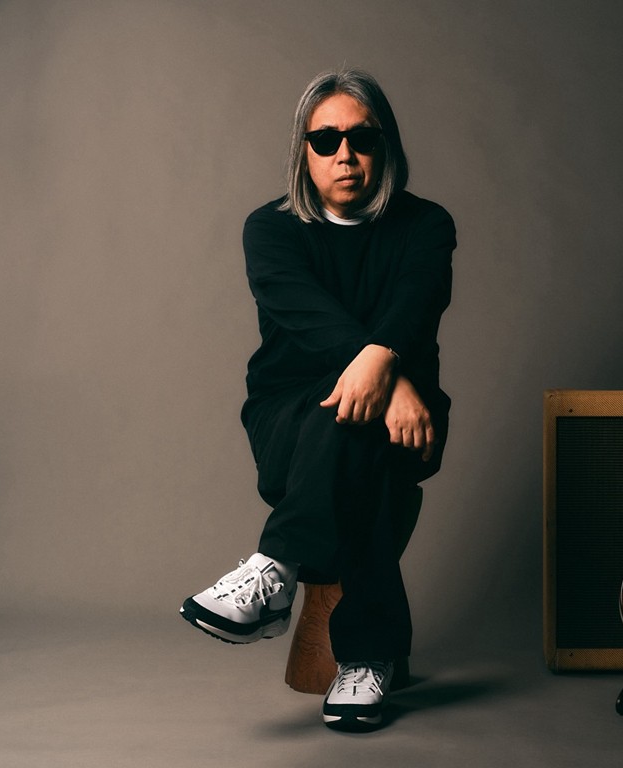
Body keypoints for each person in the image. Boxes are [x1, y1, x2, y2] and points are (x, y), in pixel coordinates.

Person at [179, 68, 455, 732]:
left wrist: (380, 372)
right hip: (286, 420)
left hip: (406, 427)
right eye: (326, 140)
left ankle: (273, 569)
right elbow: (308, 318)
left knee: (353, 422)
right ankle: (368, 658)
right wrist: (391, 376)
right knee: (348, 421)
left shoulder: (425, 225)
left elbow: (416, 304)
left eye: (362, 139)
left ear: (385, 145)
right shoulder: (270, 229)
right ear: (303, 150)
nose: (345, 155)